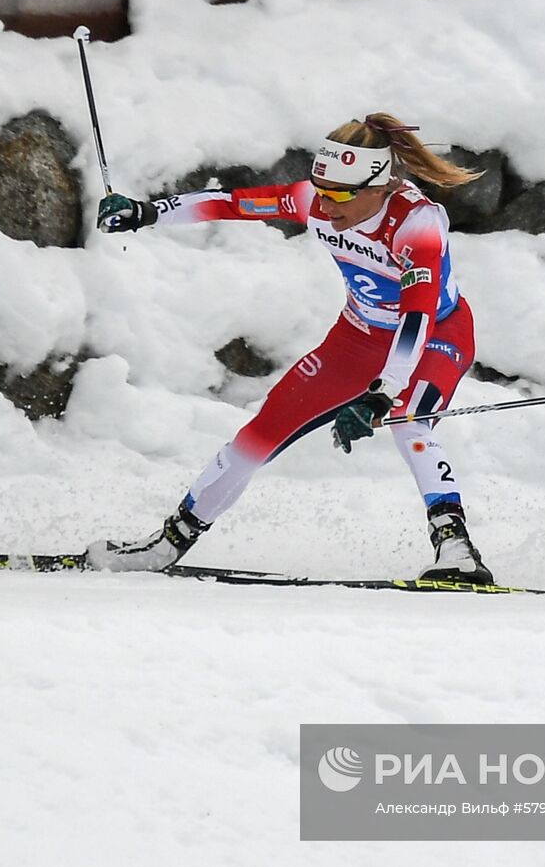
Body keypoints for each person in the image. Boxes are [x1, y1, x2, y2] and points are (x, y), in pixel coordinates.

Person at [85, 112, 493, 583]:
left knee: (408, 420)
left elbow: (417, 313)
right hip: (356, 337)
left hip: (435, 336)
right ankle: (165, 544)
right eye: (321, 189)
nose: (326, 205)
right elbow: (231, 204)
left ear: (379, 186)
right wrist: (148, 212)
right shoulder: (315, 202)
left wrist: (383, 392)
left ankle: (457, 549)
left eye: (341, 193)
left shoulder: (416, 223)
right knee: (261, 431)